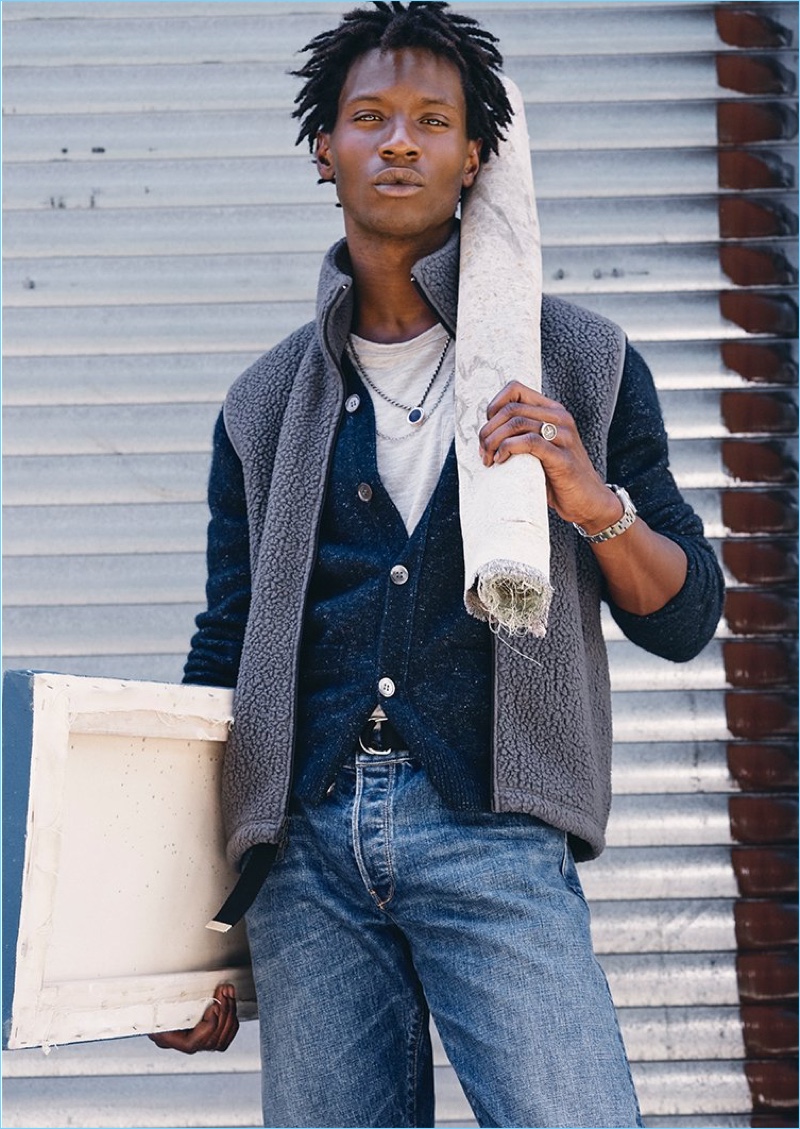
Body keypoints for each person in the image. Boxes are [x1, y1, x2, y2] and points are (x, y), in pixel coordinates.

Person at [150, 3, 725, 1126]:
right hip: (304, 858)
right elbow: (224, 653)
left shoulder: (581, 361)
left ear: (475, 152)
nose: (399, 142)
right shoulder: (263, 404)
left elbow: (682, 614)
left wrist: (586, 499)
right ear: (326, 150)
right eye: (369, 118)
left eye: (430, 120)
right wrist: (184, 932)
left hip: (495, 833)